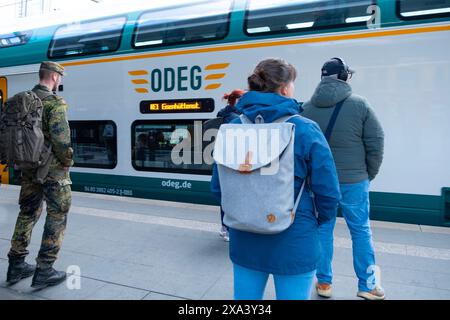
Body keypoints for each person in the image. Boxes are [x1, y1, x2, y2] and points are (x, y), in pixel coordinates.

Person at [210, 58, 340, 300]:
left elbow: (218, 188)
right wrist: (316, 220)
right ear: (285, 89)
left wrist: (244, 210)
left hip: (244, 235)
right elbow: (328, 192)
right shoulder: (305, 129)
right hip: (294, 236)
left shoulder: (231, 128)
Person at [302, 57, 385, 300]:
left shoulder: (307, 108)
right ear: (344, 76)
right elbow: (376, 142)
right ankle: (368, 286)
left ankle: (324, 284)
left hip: (320, 183)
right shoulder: (360, 104)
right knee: (360, 231)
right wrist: (368, 173)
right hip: (354, 180)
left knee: (323, 230)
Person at [6, 61, 74, 289]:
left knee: (27, 213)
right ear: (54, 77)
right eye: (60, 78)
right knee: (57, 215)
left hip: (28, 167)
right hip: (53, 171)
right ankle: (44, 270)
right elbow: (62, 141)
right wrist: (67, 161)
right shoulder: (55, 103)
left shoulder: (22, 99)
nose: (60, 81)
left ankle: (16, 265)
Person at [216, 89, 244, 242]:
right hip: (234, 161)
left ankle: (224, 227)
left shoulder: (222, 113)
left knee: (225, 195)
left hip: (224, 159)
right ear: (237, 100)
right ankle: (228, 228)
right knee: (233, 195)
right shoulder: (235, 117)